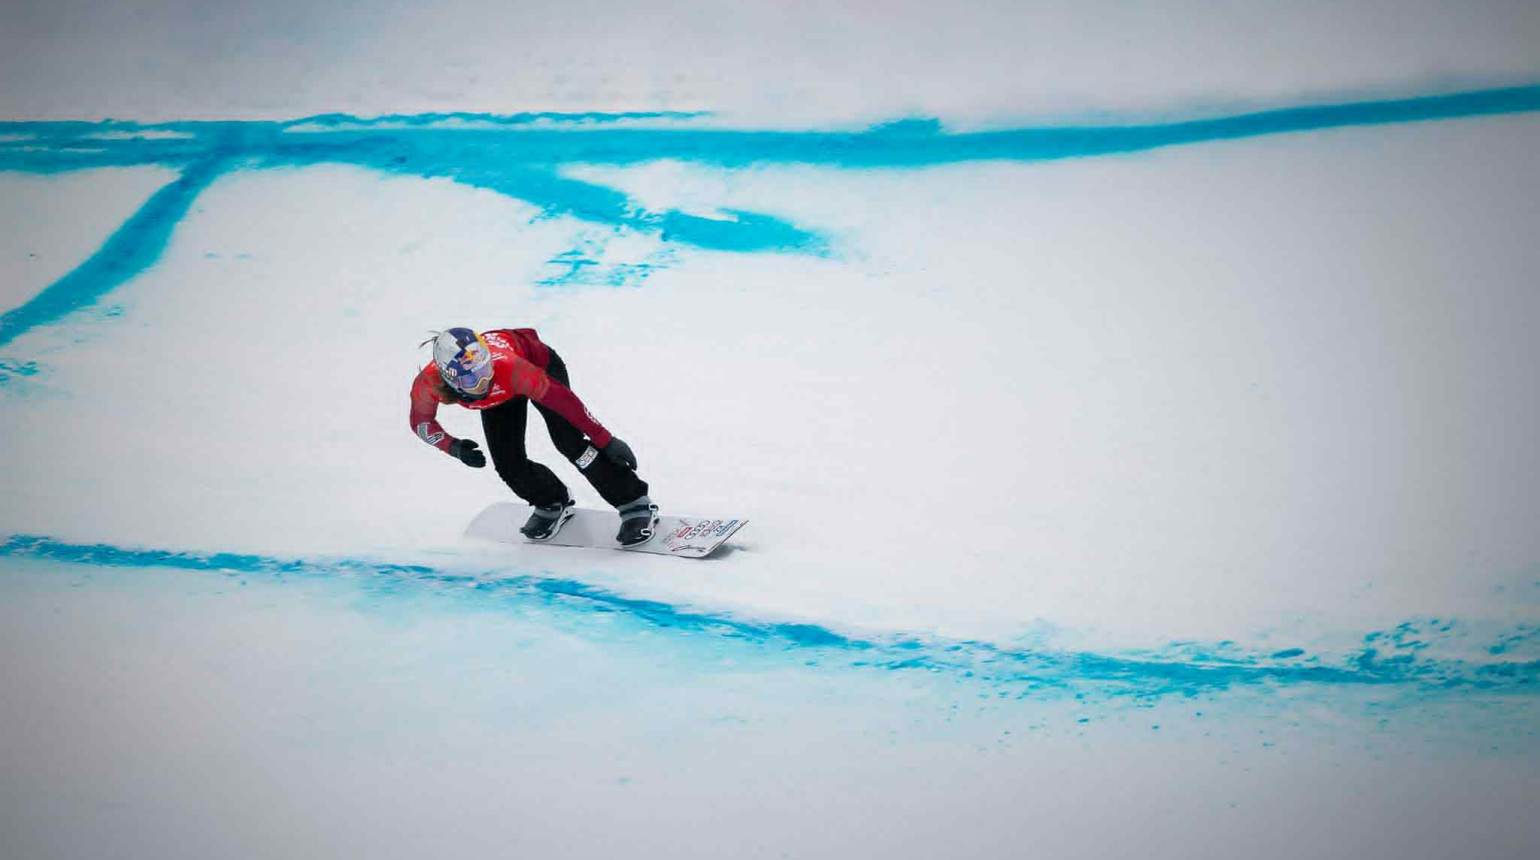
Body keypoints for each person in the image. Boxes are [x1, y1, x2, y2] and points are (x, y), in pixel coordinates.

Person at [408, 327, 657, 545]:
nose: (484, 381)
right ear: (449, 379)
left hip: (537, 368)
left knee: (570, 443)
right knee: (508, 464)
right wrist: (453, 447)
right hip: (503, 394)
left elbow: (568, 405)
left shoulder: (506, 369)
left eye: (486, 368)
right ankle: (550, 500)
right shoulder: (428, 384)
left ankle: (632, 500)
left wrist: (606, 440)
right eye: (473, 378)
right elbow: (421, 423)